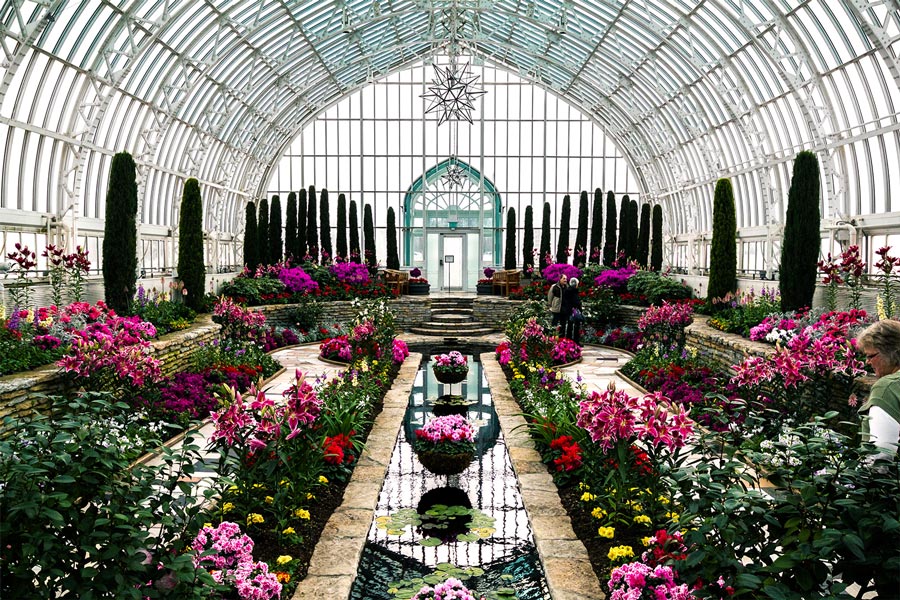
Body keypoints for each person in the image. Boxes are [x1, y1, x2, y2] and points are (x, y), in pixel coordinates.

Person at [855, 319, 900, 456]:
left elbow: (881, 455)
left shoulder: (887, 387)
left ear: (893, 352)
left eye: (871, 356)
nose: (867, 361)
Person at [559, 277, 583, 344]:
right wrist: (579, 309)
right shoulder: (574, 291)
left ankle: (569, 340)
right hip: (574, 311)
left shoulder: (567, 290)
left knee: (570, 325)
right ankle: (576, 341)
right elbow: (576, 301)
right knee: (576, 326)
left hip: (569, 310)